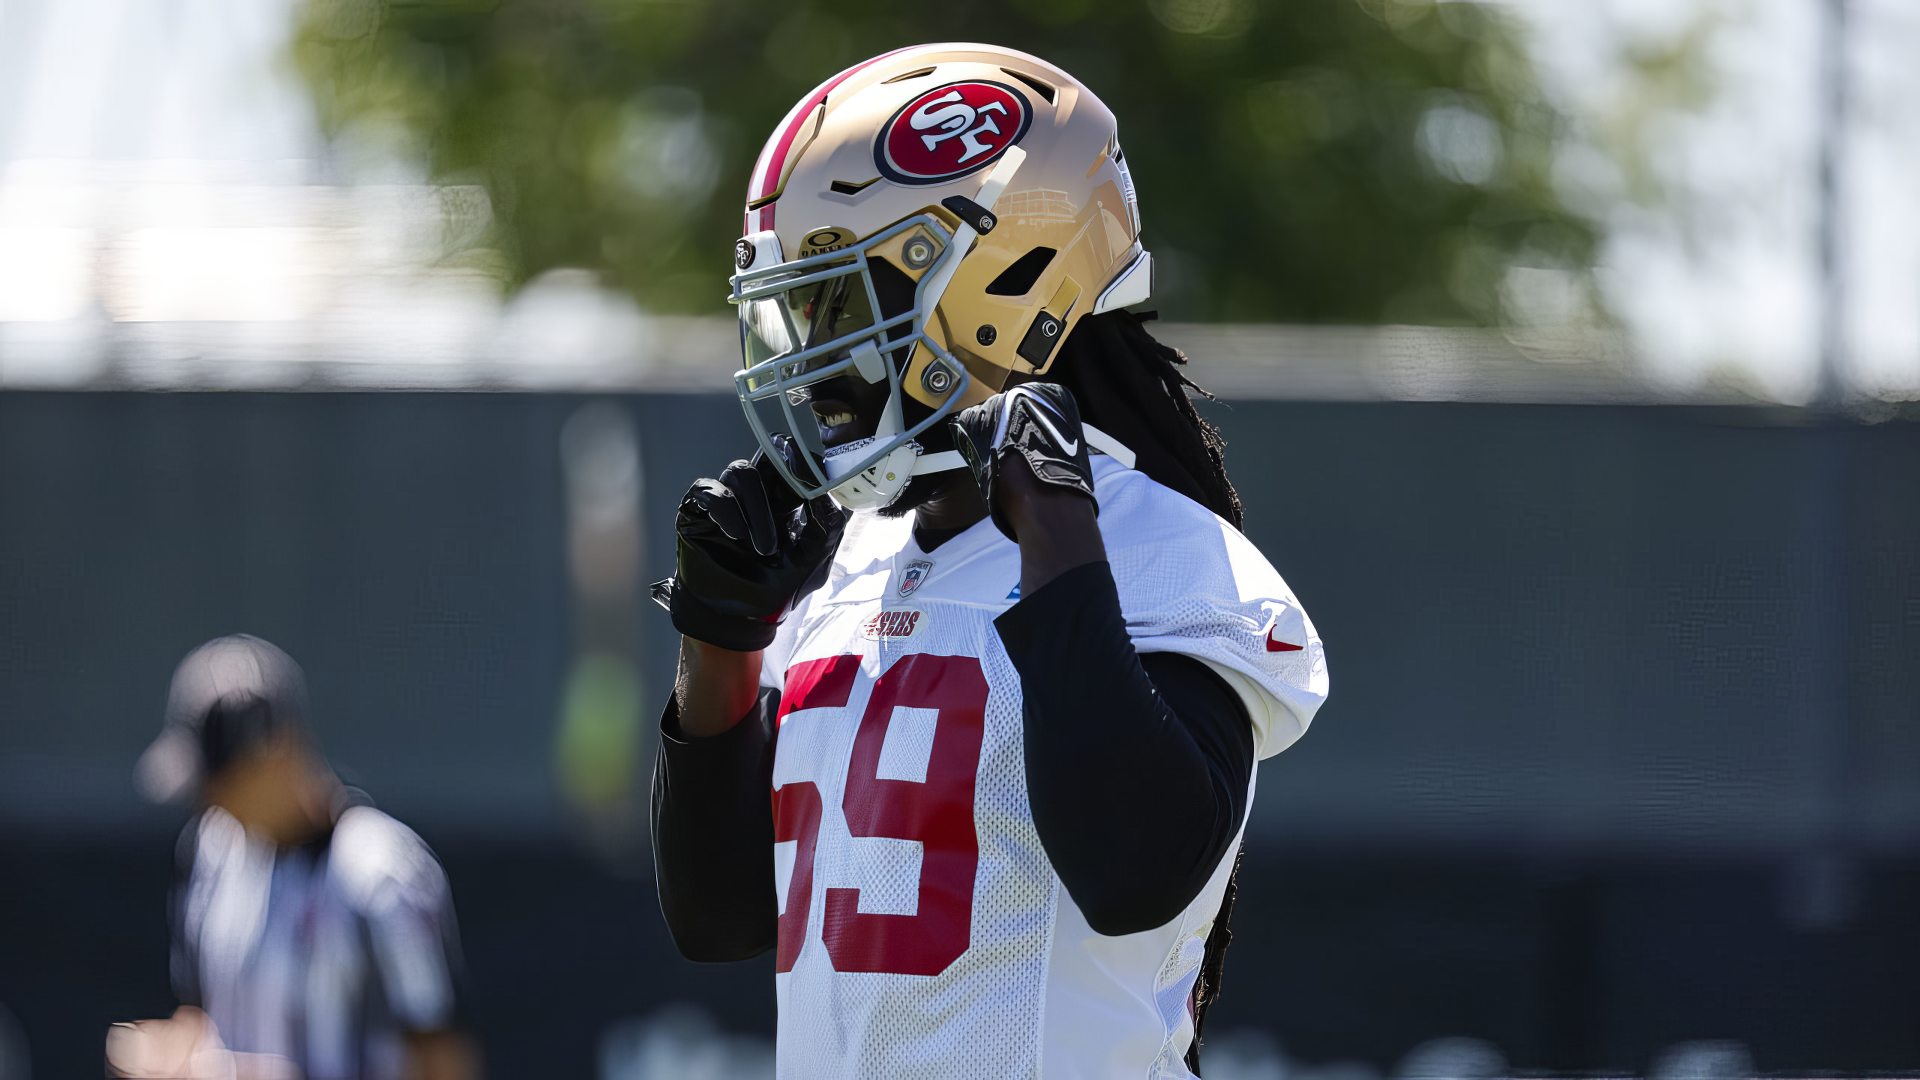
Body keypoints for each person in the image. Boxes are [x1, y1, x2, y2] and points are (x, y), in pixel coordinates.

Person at [650, 43, 1329, 1078]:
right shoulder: (852, 560)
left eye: (843, 301)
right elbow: (720, 915)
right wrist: (722, 643)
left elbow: (1134, 872)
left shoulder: (1170, 557)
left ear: (998, 289)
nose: (809, 351)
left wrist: (1057, 541)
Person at [108, 635, 478, 1080]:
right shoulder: (211, 855)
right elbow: (205, 1018)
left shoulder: (382, 873)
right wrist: (170, 1054)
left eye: (221, 777)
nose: (209, 799)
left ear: (275, 746)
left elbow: (444, 1059)